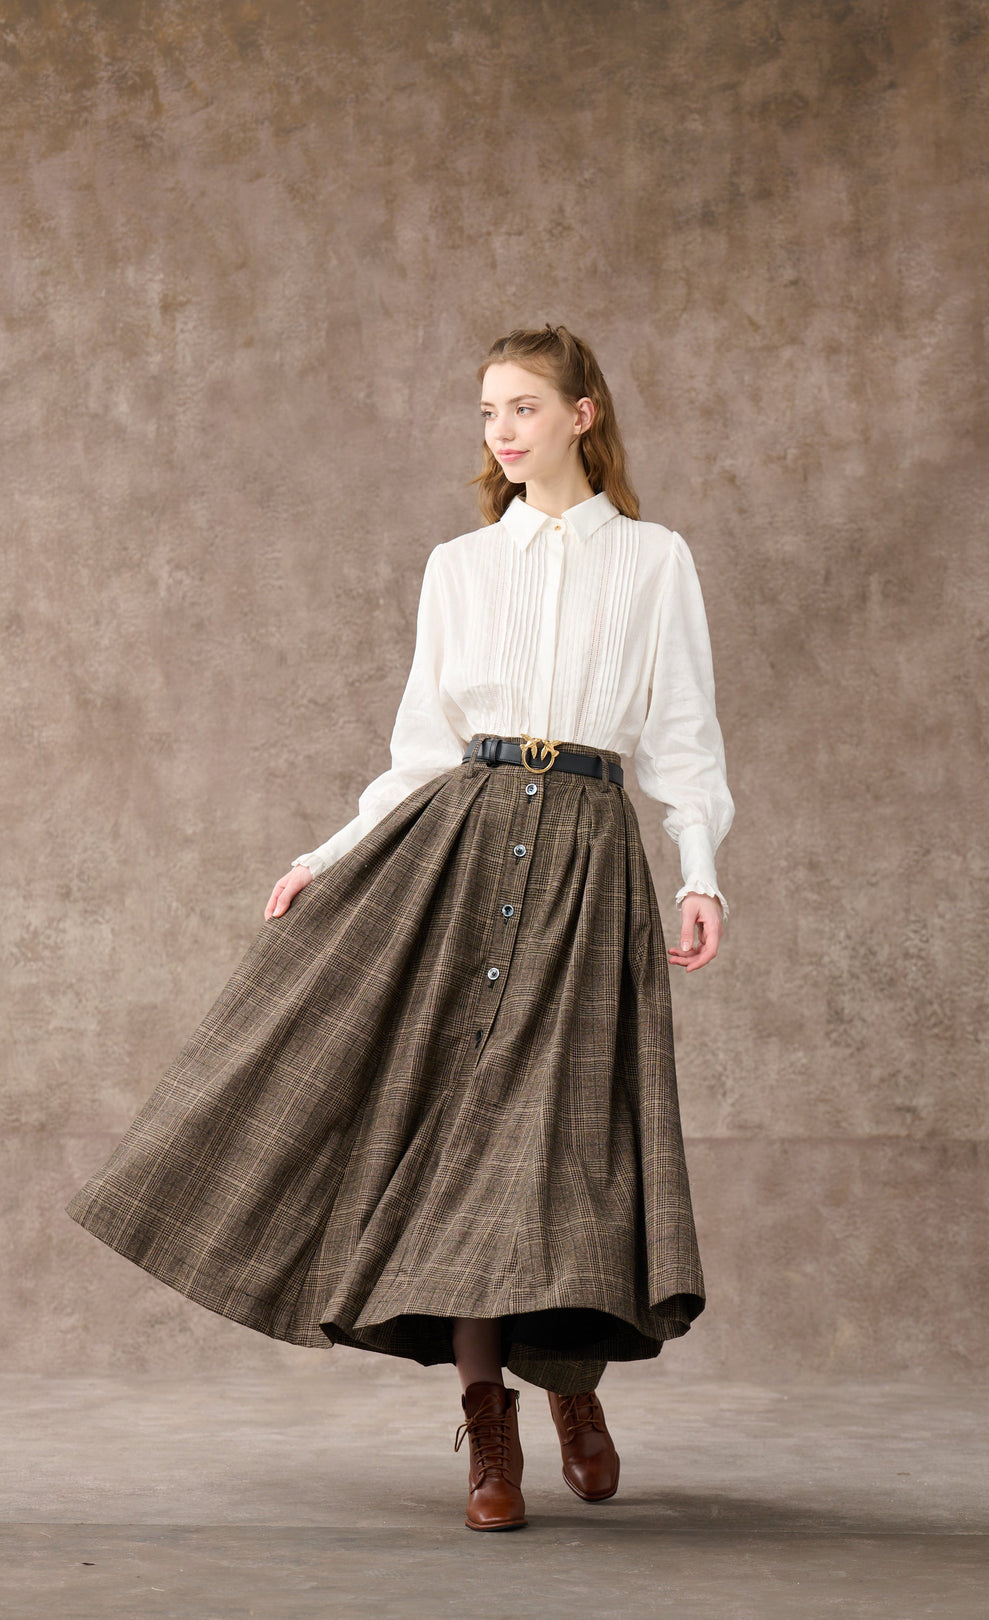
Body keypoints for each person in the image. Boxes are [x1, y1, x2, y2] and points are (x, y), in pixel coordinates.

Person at [66, 323, 734, 1533]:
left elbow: (683, 735)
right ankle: (489, 1422)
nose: (502, 431)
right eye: (488, 412)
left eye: (523, 406)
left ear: (582, 414)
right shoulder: (459, 567)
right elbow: (421, 750)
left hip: (589, 858)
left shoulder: (655, 561)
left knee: (568, 1142)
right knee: (463, 1141)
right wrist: (326, 857)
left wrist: (701, 873)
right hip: (463, 853)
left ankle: (569, 1381)